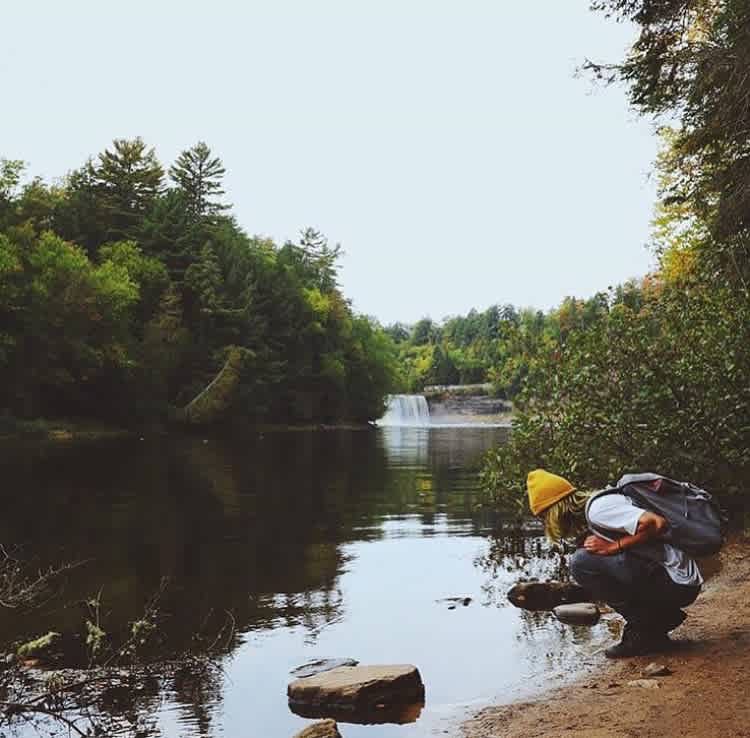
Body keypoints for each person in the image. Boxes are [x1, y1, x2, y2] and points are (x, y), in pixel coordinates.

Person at [526, 469, 703, 658]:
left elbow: (656, 523)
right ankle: (654, 623)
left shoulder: (598, 510)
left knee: (581, 563)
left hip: (678, 583)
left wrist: (614, 547)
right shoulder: (596, 508)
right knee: (585, 557)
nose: (545, 523)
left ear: (555, 509)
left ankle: (647, 626)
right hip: (676, 580)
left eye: (544, 517)